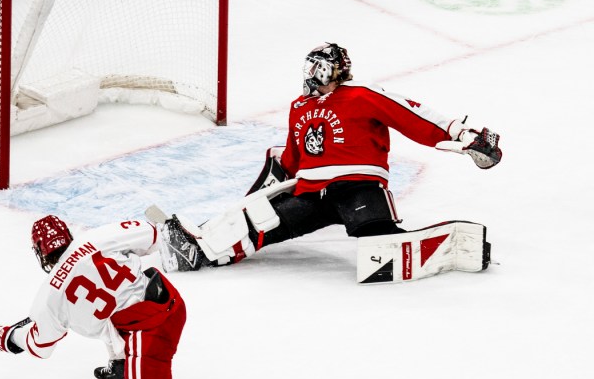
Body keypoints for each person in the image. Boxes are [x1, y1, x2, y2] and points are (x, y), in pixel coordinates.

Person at [156, 42, 503, 280]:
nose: (307, 73)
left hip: (359, 187)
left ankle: (458, 247)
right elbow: (291, 159)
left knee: (380, 242)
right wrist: (260, 195)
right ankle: (199, 251)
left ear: (322, 70)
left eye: (312, 66)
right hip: (310, 194)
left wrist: (462, 134)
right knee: (260, 224)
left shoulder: (361, 95)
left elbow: (412, 116)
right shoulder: (299, 107)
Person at [0, 215, 255, 379]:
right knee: (111, 313)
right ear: (67, 235)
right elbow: (153, 235)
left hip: (149, 331)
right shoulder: (95, 238)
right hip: (170, 301)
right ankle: (122, 365)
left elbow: (41, 346)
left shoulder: (48, 298)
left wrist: (8, 337)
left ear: (41, 253)